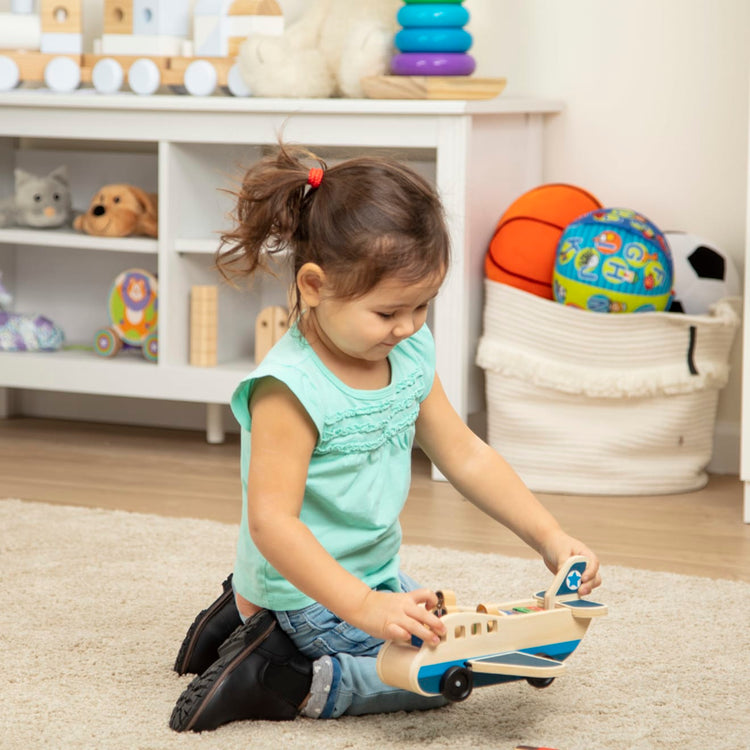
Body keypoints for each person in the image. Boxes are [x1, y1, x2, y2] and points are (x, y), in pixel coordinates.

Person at [169, 144, 601, 733]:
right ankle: (282, 679)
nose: (409, 326)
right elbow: (273, 523)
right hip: (305, 588)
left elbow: (465, 454)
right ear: (315, 286)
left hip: (365, 575)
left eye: (423, 305)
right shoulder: (289, 389)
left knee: (447, 625)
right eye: (389, 312)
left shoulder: (407, 351)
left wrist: (549, 535)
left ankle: (244, 619)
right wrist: (367, 609)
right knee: (438, 676)